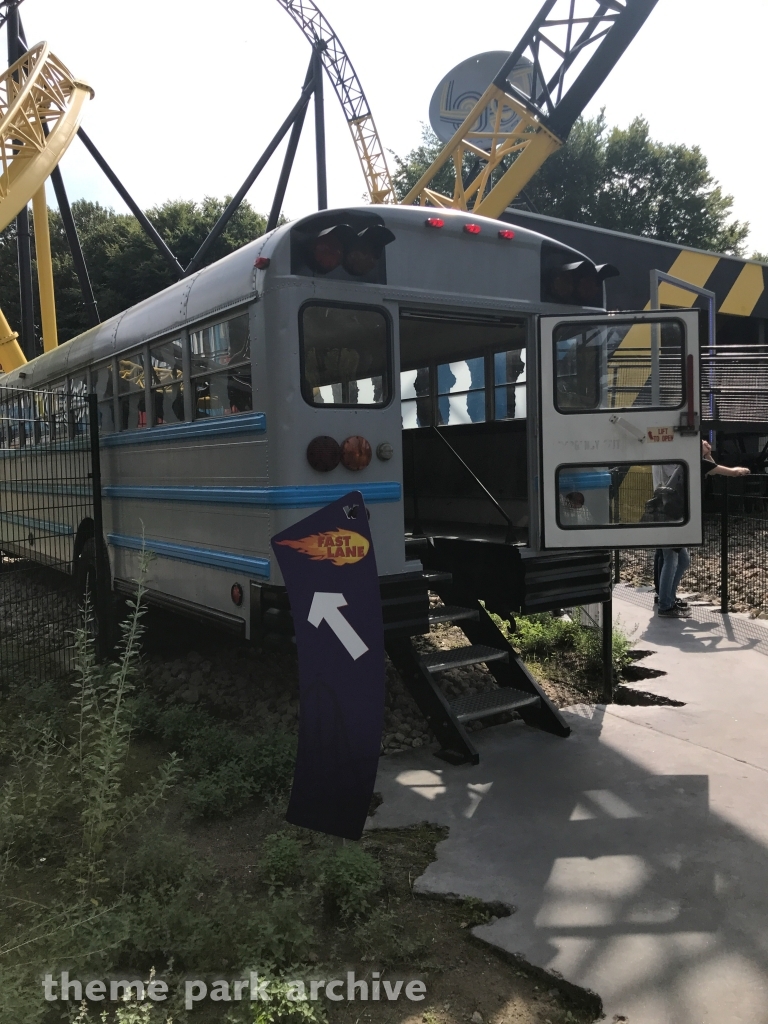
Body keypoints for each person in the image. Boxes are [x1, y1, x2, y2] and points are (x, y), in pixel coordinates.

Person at [657, 441, 750, 618]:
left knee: (682, 561)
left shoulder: (690, 461)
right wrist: (745, 470)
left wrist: (707, 454)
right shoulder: (697, 462)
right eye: (703, 442)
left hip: (671, 515)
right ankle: (665, 605)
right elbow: (731, 472)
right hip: (674, 517)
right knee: (671, 560)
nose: (707, 443)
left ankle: (669, 599)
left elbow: (712, 468)